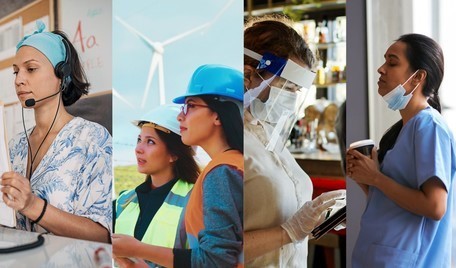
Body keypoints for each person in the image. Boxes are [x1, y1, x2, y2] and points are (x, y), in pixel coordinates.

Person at [112, 64, 244, 267]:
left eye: (191, 105)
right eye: (139, 139)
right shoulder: (124, 201)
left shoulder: (222, 172)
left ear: (218, 114)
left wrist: (137, 250)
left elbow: (217, 261)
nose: (181, 116)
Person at [243, 15, 346, 267]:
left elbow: (282, 222)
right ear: (249, 76)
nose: (291, 99)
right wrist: (288, 231)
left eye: (297, 91)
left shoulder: (268, 134)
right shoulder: (224, 141)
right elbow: (207, 249)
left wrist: (318, 219)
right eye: (287, 87)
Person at [347, 33, 456, 267]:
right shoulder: (402, 130)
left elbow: (435, 206)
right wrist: (366, 178)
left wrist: (376, 178)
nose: (381, 69)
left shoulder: (429, 126)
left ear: (418, 77)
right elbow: (395, 204)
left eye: (392, 62)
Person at [2, 20, 112, 242]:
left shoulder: (93, 139)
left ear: (61, 74)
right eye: (16, 72)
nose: (19, 80)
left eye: (30, 69)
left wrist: (32, 205)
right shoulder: (13, 146)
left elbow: (103, 236)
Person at [113, 105, 200, 267]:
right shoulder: (123, 202)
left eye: (150, 142)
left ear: (174, 154)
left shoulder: (198, 201)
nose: (138, 149)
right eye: (139, 140)